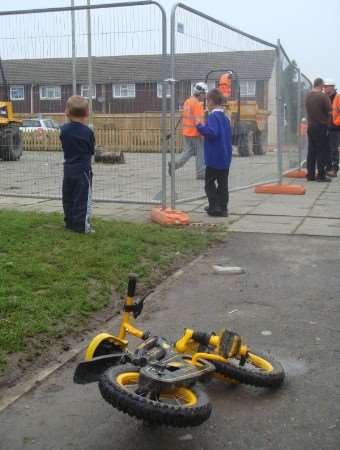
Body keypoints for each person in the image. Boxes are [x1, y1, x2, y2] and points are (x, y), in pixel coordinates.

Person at [60, 95, 95, 233]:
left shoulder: (63, 130)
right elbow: (91, 150)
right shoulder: (88, 131)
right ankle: (82, 226)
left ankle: (69, 222)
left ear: (67, 112)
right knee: (82, 198)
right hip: (83, 170)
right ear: (86, 113)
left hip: (68, 168)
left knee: (68, 197)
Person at [196, 88, 232, 217]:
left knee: (209, 183)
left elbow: (212, 133)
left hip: (214, 157)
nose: (207, 104)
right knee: (223, 183)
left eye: (207, 101)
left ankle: (214, 206)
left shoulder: (213, 116)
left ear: (211, 101)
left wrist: (200, 126)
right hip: (225, 156)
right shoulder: (226, 117)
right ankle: (223, 208)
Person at [168, 82, 207, 179]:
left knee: (188, 152)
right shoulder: (197, 104)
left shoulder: (188, 101)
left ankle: (174, 165)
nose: (205, 96)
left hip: (186, 132)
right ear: (200, 93)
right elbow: (199, 121)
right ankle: (201, 173)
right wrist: (203, 133)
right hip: (195, 133)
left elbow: (188, 116)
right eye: (204, 94)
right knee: (201, 152)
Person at [305, 78, 332, 182]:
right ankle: (321, 175)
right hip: (321, 126)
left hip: (310, 126)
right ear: (321, 85)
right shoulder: (323, 96)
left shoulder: (307, 95)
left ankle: (310, 175)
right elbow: (329, 111)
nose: (324, 88)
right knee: (321, 150)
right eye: (323, 86)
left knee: (311, 151)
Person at [324, 79, 340, 177]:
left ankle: (334, 169)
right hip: (327, 127)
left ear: (332, 87)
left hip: (335, 128)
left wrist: (336, 122)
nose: (325, 88)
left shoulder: (337, 97)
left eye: (327, 87)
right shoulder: (326, 98)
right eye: (324, 87)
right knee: (328, 148)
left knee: (334, 149)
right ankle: (329, 168)